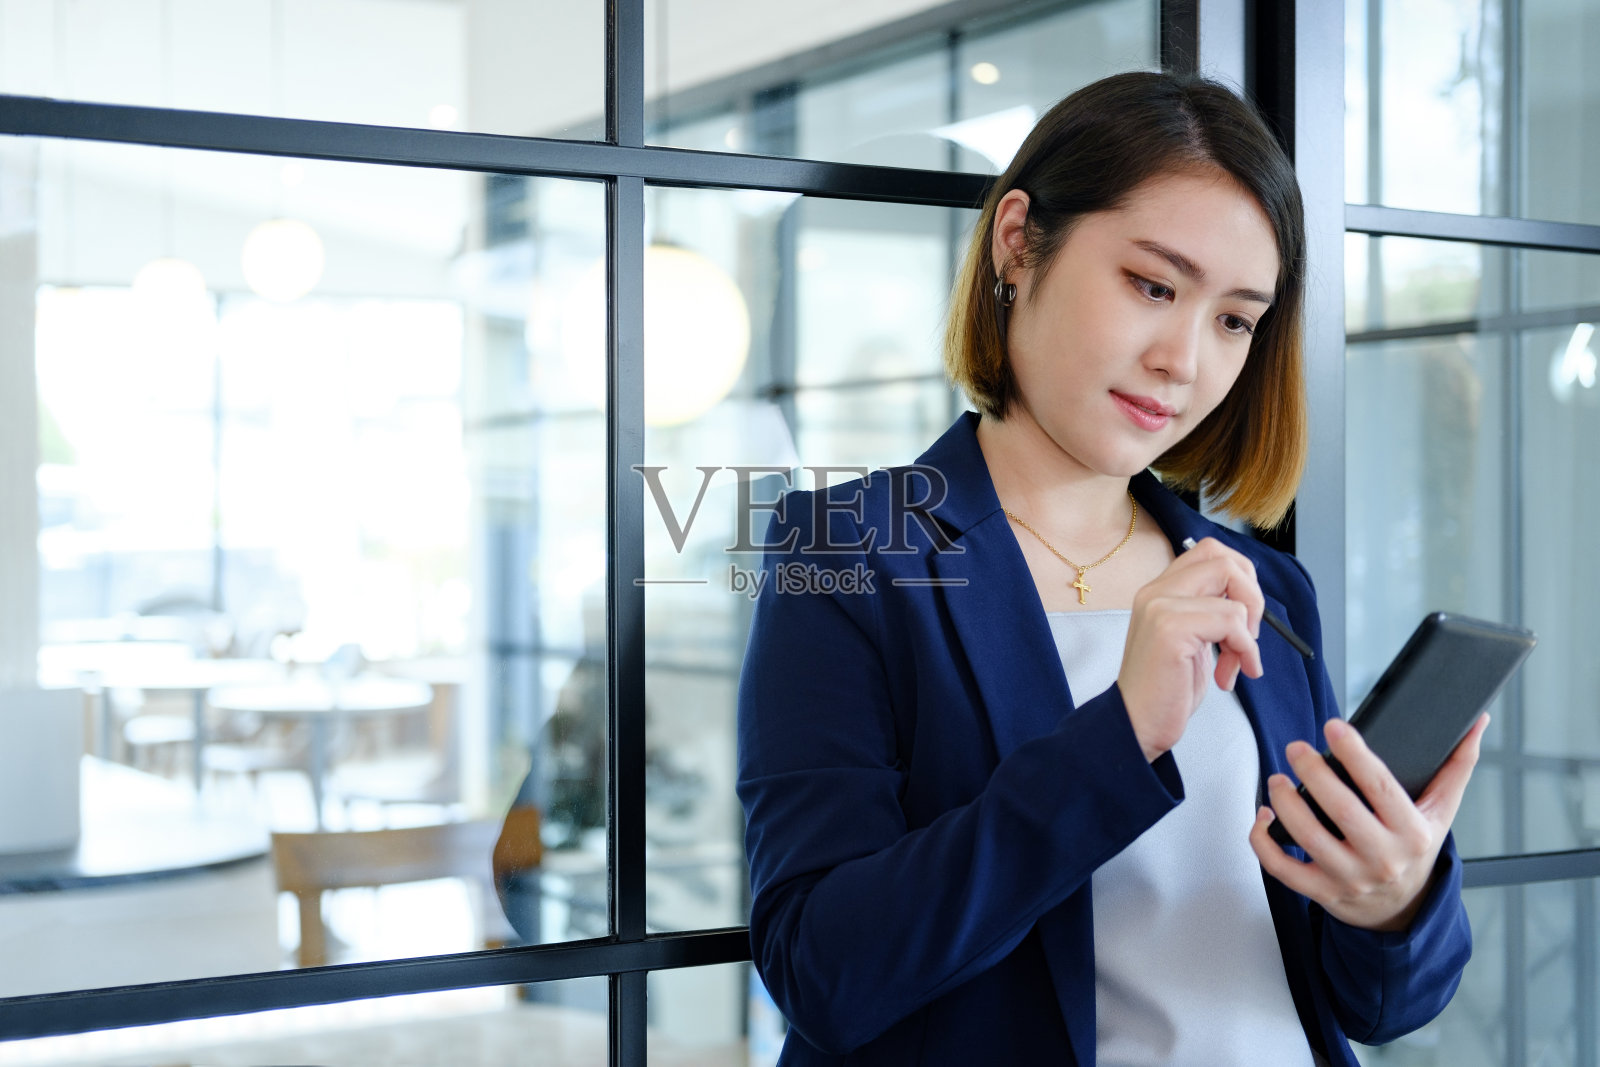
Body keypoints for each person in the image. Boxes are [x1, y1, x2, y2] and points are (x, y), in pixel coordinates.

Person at [736, 71, 1481, 1066]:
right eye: (1153, 286)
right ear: (1017, 243)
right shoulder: (850, 552)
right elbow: (823, 968)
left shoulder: (1260, 588)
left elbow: (1375, 1004)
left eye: (1234, 319)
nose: (1184, 359)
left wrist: (1394, 898)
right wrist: (1121, 733)